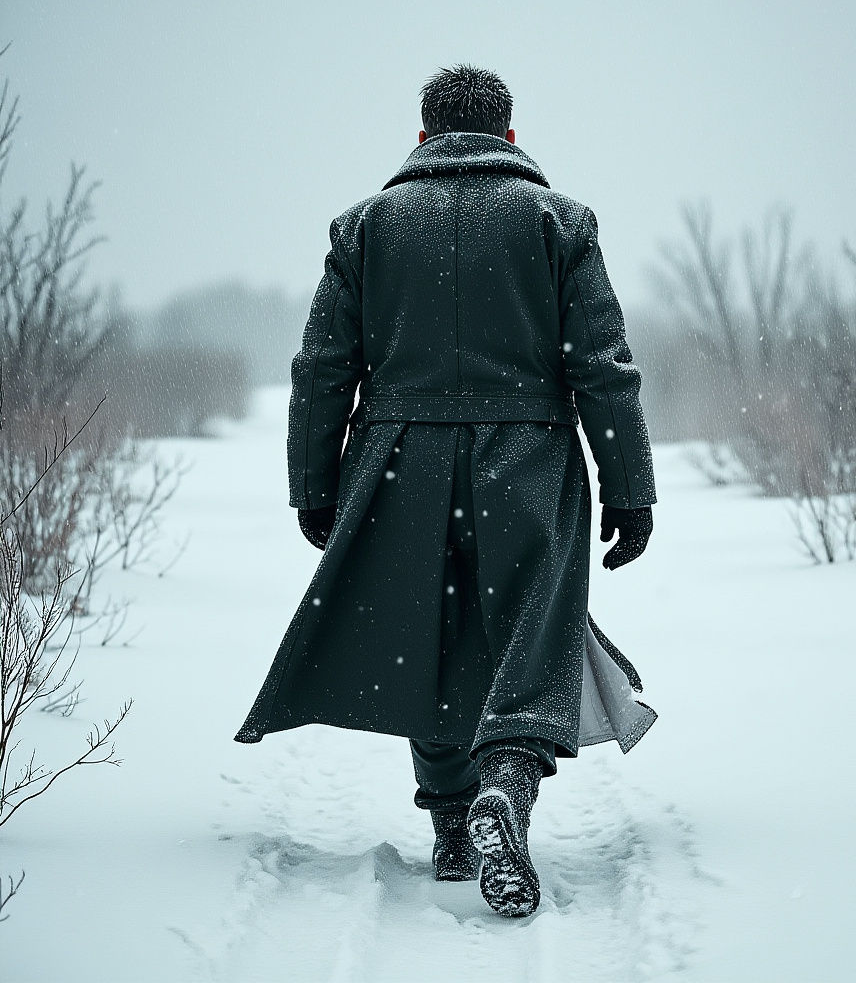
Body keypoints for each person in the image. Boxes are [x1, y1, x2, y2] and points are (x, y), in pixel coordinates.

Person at [234, 63, 658, 918]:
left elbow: (322, 370)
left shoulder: (366, 226)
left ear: (423, 135)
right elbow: (601, 367)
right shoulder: (559, 221)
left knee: (425, 641)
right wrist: (629, 487)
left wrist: (314, 485)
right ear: (510, 135)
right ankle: (507, 785)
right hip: (530, 460)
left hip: (399, 463)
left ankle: (458, 825)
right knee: (531, 638)